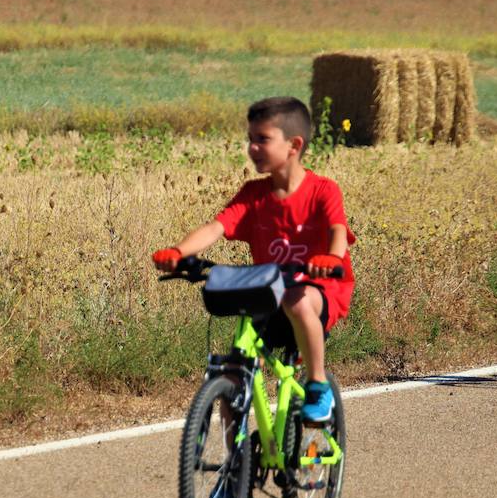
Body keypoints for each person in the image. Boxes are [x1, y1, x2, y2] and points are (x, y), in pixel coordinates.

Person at [152, 96, 356, 422]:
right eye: (250, 139)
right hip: (268, 291)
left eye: (263, 139)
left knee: (298, 301)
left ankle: (318, 384)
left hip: (319, 288)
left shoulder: (323, 190)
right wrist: (179, 252)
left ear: (294, 145)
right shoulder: (253, 194)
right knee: (233, 371)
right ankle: (237, 467)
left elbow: (338, 231)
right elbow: (215, 227)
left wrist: (330, 258)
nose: (253, 147)